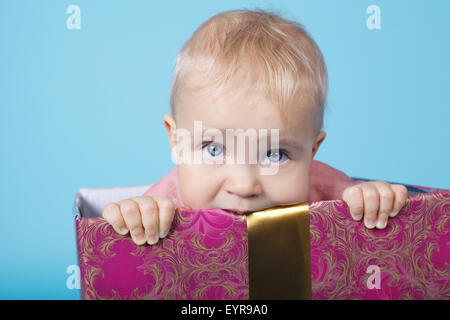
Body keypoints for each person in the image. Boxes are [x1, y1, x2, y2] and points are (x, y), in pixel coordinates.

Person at [102, 9, 408, 246]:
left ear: (312, 151)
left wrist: (373, 199)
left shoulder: (322, 184)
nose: (244, 185)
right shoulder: (167, 201)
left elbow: (358, 199)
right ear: (176, 140)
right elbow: (134, 225)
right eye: (214, 149)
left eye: (275, 154)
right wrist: (137, 215)